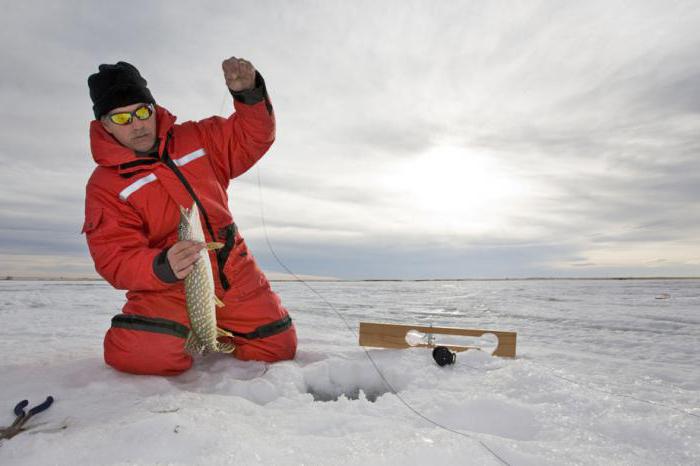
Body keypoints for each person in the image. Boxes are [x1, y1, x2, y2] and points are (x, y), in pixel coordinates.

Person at [83, 58, 296, 375]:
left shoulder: (199, 137)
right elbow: (114, 256)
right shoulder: (105, 186)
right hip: (167, 286)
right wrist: (161, 266)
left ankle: (219, 328)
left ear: (154, 109)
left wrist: (249, 95)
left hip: (231, 268)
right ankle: (182, 331)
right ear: (105, 124)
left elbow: (253, 137)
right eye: (122, 117)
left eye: (143, 112)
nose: (138, 124)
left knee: (277, 347)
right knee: (142, 353)